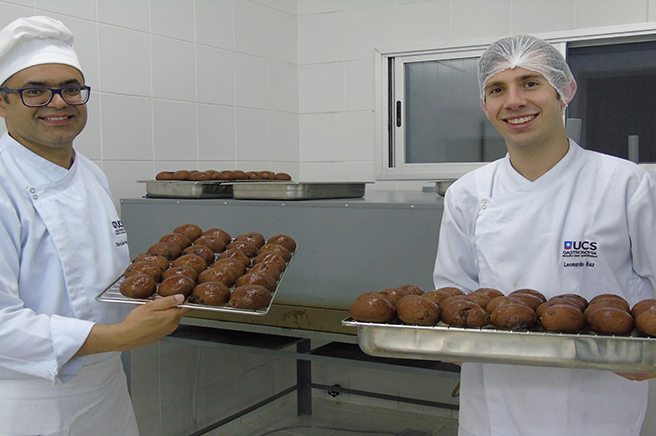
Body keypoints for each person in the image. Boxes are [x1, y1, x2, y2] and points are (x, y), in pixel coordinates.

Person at [433, 34, 656, 436]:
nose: (514, 101)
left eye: (530, 83)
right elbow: (454, 297)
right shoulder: (467, 194)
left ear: (564, 91)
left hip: (599, 400)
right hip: (496, 401)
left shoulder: (626, 184)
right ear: (485, 106)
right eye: (497, 89)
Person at [0, 16, 190, 436]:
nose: (58, 102)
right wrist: (119, 336)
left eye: (70, 88)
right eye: (34, 91)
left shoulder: (90, 174)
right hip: (29, 403)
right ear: (2, 103)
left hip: (106, 390)